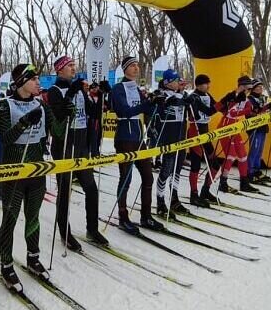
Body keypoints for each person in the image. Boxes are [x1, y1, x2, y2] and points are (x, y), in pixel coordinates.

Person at [0, 63, 60, 291]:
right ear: (22, 82)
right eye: (33, 79)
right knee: (10, 219)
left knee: (33, 217)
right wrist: (23, 122)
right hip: (13, 172)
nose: (38, 83)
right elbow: (5, 139)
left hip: (36, 171)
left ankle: (33, 257)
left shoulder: (41, 104)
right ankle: (6, 264)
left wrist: (67, 108)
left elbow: (59, 131)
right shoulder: (4, 106)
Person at [47, 55, 109, 251]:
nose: (74, 69)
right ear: (59, 70)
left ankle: (92, 229)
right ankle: (65, 231)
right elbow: (59, 114)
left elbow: (93, 113)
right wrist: (70, 93)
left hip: (81, 145)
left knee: (91, 188)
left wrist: (101, 96)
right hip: (64, 144)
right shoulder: (54, 90)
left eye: (74, 65)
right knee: (64, 190)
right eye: (69, 66)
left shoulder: (80, 90)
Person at [110, 56, 165, 234]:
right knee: (126, 177)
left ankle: (146, 216)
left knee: (148, 176)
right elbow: (124, 111)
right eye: (132, 66)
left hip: (139, 138)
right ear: (125, 69)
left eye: (137, 65)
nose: (136, 68)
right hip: (125, 137)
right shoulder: (118, 89)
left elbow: (148, 109)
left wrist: (157, 102)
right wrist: (146, 104)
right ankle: (123, 216)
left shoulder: (137, 89)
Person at [153, 69, 190, 217]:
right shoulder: (161, 93)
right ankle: (160, 202)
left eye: (178, 80)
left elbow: (185, 103)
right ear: (168, 82)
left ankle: (174, 199)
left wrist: (186, 99)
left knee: (177, 170)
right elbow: (159, 107)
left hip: (180, 138)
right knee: (166, 171)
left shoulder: (180, 94)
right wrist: (170, 101)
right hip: (168, 138)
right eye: (175, 81)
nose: (178, 83)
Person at [215, 76, 259, 193]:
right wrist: (247, 110)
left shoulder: (245, 97)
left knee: (243, 155)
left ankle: (244, 183)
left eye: (250, 89)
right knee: (230, 155)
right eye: (247, 88)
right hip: (225, 128)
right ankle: (223, 182)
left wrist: (261, 109)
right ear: (242, 86)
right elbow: (231, 112)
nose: (249, 91)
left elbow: (250, 109)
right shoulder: (232, 95)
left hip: (235, 128)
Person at [186, 74, 220, 206]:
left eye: (208, 83)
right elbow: (209, 110)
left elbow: (217, 106)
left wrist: (231, 99)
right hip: (195, 132)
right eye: (206, 84)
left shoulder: (207, 95)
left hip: (205, 132)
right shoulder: (194, 97)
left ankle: (205, 191)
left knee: (215, 164)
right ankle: (193, 195)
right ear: (199, 85)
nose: (208, 86)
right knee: (196, 165)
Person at [247, 79, 271, 184]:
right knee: (254, 150)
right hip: (254, 128)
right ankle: (250, 172)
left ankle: (257, 170)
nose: (260, 89)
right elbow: (249, 113)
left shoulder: (263, 98)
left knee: (259, 151)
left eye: (261, 87)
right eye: (258, 87)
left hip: (262, 127)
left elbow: (266, 110)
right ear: (253, 88)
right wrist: (260, 111)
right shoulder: (249, 99)